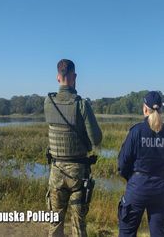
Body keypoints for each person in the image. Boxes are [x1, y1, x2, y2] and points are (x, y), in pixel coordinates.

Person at [44, 59, 102, 237]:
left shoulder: (48, 102)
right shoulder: (81, 104)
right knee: (78, 226)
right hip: (78, 175)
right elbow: (97, 139)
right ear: (74, 76)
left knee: (55, 223)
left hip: (56, 173)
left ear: (57, 77)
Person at [118, 91, 164, 237]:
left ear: (145, 109)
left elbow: (122, 162)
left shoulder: (136, 131)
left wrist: (131, 179)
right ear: (161, 109)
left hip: (137, 188)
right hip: (161, 189)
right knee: (159, 233)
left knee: (127, 232)